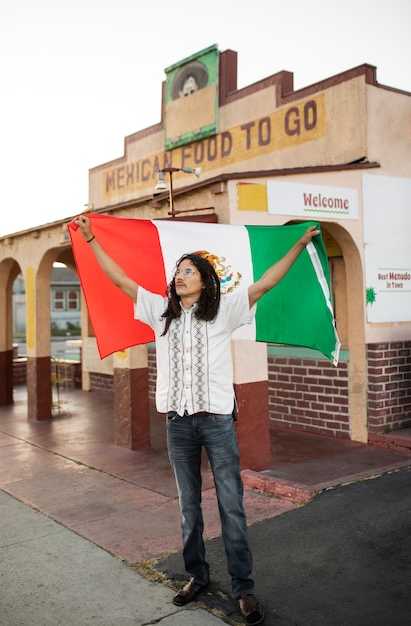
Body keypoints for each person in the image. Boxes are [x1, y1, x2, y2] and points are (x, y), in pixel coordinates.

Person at [75, 215, 319, 625]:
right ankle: (197, 576)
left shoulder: (223, 312)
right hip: (178, 425)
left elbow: (266, 283)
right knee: (189, 506)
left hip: (218, 422)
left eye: (188, 270)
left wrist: (296, 245)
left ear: (205, 280)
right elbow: (118, 279)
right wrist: (92, 239)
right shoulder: (159, 311)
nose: (179, 275)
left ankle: (243, 589)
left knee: (231, 506)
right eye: (178, 270)